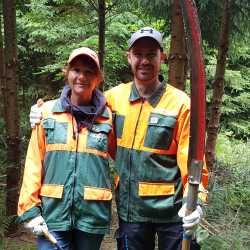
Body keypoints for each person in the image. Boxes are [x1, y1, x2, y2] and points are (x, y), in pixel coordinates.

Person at [29, 27, 209, 250]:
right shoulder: (113, 98)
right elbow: (79, 106)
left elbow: (192, 159)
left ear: (162, 57)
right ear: (129, 57)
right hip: (131, 211)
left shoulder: (182, 103)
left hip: (174, 213)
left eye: (151, 54)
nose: (144, 61)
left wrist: (196, 201)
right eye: (139, 54)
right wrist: (43, 110)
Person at [17, 47, 115, 250]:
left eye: (89, 72)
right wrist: (30, 209)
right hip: (53, 214)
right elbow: (34, 162)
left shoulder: (108, 117)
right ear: (67, 73)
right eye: (76, 70)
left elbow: (123, 160)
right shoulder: (46, 113)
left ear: (98, 78)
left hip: (92, 216)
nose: (82, 76)